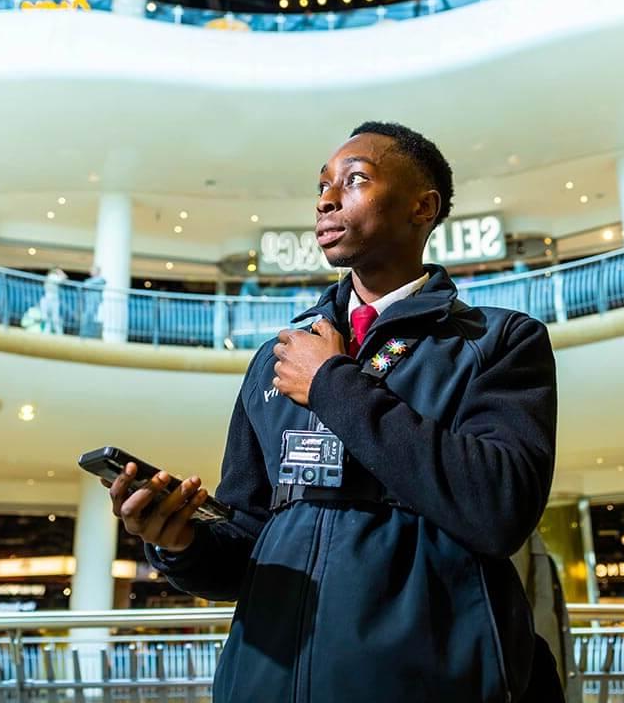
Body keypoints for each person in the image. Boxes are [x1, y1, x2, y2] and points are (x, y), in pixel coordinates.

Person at [104, 122, 560, 702]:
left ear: (424, 206)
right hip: (266, 681)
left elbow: (498, 507)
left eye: (355, 180)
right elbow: (249, 542)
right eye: (322, 185)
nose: (326, 198)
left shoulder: (498, 340)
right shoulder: (278, 358)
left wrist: (331, 384)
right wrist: (179, 543)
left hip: (429, 680)